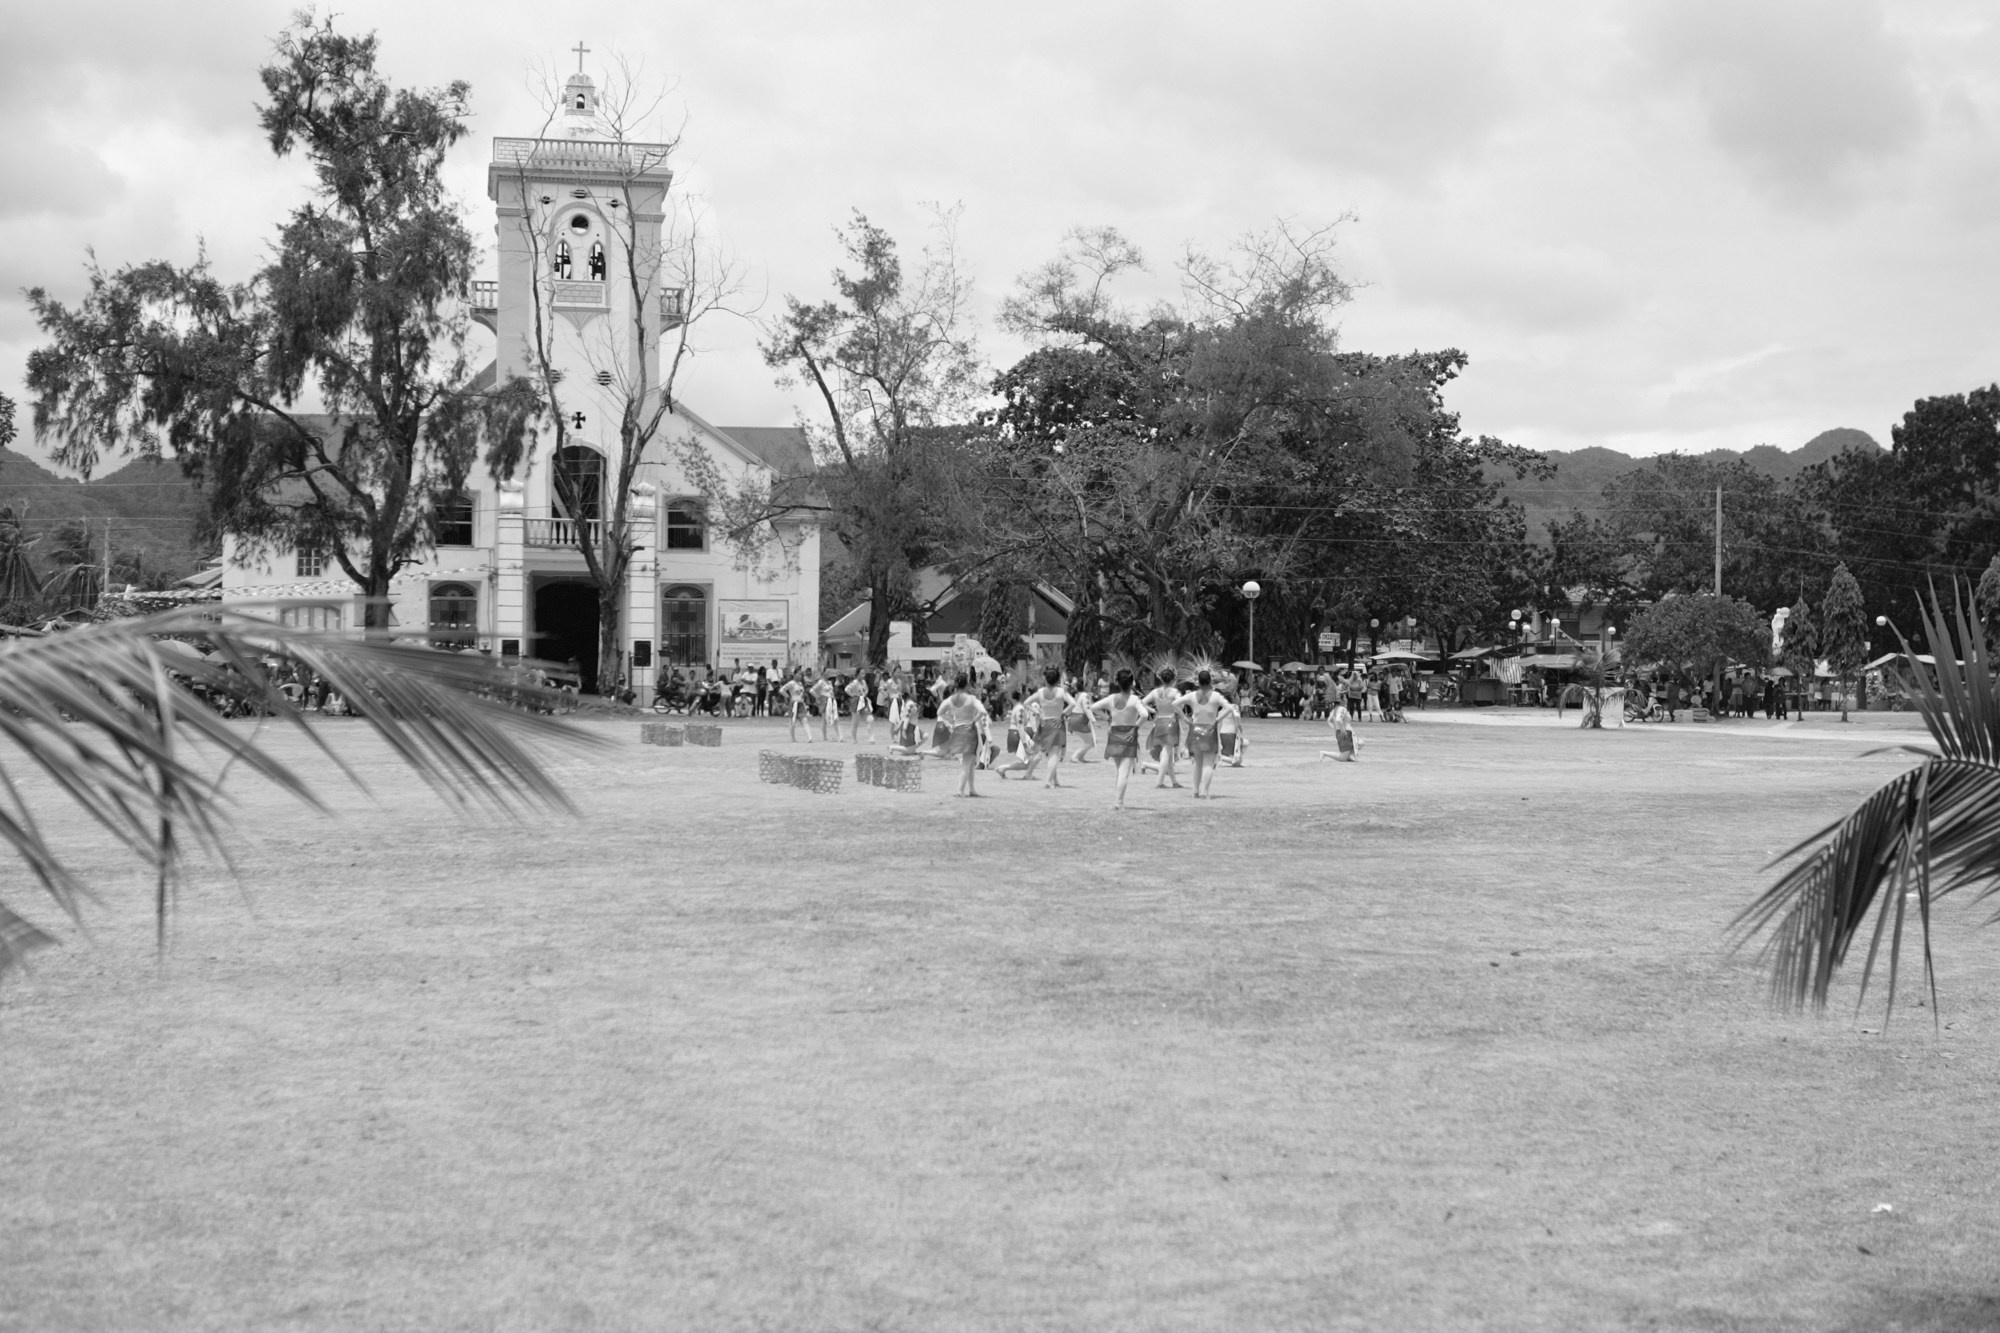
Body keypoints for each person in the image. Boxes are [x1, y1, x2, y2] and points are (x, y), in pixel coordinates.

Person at [1088, 668, 1152, 809]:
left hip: (1114, 734)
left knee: (1120, 770)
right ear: (1131, 683)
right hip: (1129, 735)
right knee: (1124, 772)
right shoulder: (1134, 699)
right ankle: (1119, 802)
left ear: (1117, 682)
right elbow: (1145, 715)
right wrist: (1136, 727)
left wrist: (1107, 718)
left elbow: (1093, 707)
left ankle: (1118, 800)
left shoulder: (1112, 698)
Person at [1177, 670, 1240, 798]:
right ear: (1210, 681)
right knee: (1208, 764)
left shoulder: (1192, 695)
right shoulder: (1216, 696)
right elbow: (1229, 707)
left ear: (1198, 682)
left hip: (1195, 729)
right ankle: (1205, 791)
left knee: (1198, 764)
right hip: (1210, 729)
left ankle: (1195, 791)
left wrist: (1184, 717)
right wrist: (1217, 720)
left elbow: (1175, 704)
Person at [1024, 664, 1078, 789]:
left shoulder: (1040, 692)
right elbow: (1073, 703)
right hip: (1057, 723)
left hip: (1044, 723)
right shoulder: (1060, 692)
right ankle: (1049, 781)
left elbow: (1026, 703)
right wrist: (1064, 713)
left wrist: (1037, 712)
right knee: (1054, 754)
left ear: (1046, 679)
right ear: (1058, 679)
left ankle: (1055, 779)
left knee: (1049, 754)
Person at [937, 673, 990, 796]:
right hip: (969, 731)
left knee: (970, 763)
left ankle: (971, 790)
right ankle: (960, 790)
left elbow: (940, 711)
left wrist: (951, 720)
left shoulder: (951, 699)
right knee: (967, 763)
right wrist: (974, 721)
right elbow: (982, 711)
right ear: (966, 685)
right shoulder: (971, 699)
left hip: (957, 730)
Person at [1141, 668, 1184, 789]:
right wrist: (1183, 716)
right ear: (1173, 680)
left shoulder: (1155, 692)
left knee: (1168, 754)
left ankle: (1174, 782)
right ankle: (1159, 782)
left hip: (1159, 721)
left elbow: (1142, 702)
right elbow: (1180, 705)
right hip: (1171, 722)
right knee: (1166, 752)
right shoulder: (1175, 692)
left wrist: (1153, 711)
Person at [1065, 675, 1098, 763]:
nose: (1092, 685)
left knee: (1088, 740)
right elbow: (1087, 710)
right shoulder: (1084, 696)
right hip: (1079, 720)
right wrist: (1094, 721)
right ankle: (1075, 756)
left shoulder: (1079, 695)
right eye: (1090, 683)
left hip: (1075, 719)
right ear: (1086, 685)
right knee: (1090, 741)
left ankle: (1080, 757)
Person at [1218, 690, 1248, 767]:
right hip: (1231, 732)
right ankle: (1219, 758)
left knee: (1230, 751)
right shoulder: (1234, 707)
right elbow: (1237, 717)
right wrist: (1239, 726)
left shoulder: (1221, 709)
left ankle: (1231, 759)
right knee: (1244, 744)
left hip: (1223, 732)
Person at [846, 672, 875, 744]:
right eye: (861, 673)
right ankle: (854, 739)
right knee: (855, 722)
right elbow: (847, 689)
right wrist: (853, 695)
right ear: (858, 674)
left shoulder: (864, 682)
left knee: (870, 718)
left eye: (863, 673)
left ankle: (871, 737)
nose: (863, 675)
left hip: (863, 701)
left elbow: (866, 689)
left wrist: (864, 694)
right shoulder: (854, 682)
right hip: (856, 701)